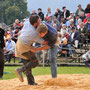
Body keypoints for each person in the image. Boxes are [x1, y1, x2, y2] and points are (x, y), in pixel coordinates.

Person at [15, 15, 50, 85]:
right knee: (35, 62)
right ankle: (20, 70)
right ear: (35, 24)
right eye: (39, 21)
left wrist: (22, 31)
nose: (40, 21)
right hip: (24, 47)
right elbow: (45, 42)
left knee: (28, 62)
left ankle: (31, 82)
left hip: (20, 42)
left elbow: (25, 21)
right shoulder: (34, 33)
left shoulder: (28, 22)